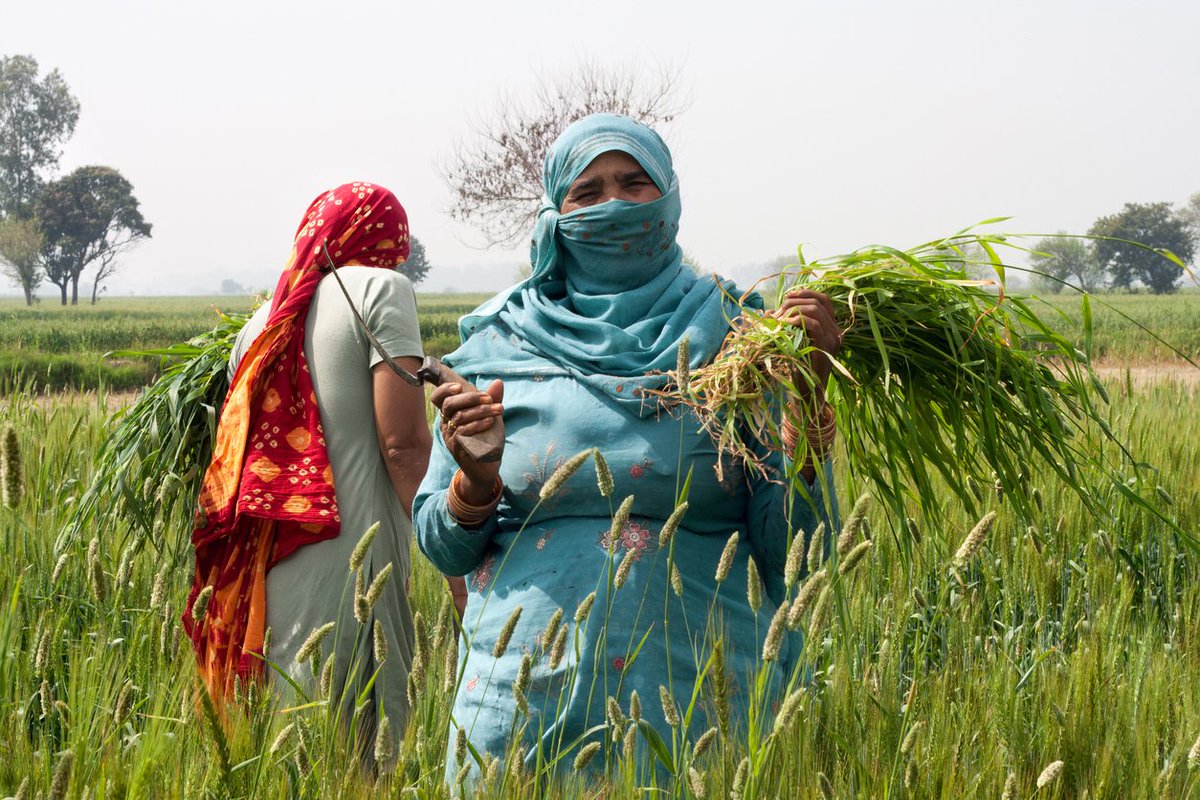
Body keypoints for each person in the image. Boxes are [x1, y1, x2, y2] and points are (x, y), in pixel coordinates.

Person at [413, 114, 841, 779]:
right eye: (587, 193)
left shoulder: (739, 338)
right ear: (556, 215)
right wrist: (474, 485)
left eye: (633, 183)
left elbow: (796, 550)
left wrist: (809, 402)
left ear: (669, 199)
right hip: (519, 717)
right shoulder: (497, 346)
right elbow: (444, 546)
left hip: (700, 716)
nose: (612, 204)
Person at [186, 182, 431, 759]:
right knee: (360, 740)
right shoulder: (383, 290)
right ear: (385, 239)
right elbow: (403, 445)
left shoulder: (259, 325)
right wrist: (442, 549)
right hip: (351, 551)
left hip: (270, 556)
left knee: (284, 732)